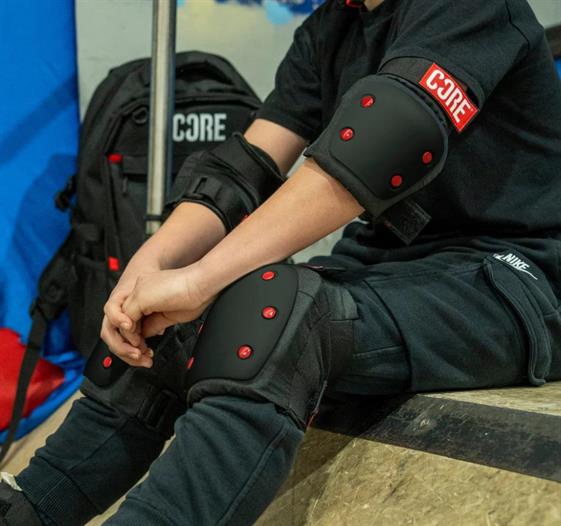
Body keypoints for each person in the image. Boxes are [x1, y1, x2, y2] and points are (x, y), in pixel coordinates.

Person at [2, 0, 561, 524]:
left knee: (272, 310)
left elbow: (377, 144)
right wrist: (149, 270)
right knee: (168, 323)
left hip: (514, 277)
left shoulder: (469, 8)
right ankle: (34, 507)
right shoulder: (330, 29)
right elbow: (240, 170)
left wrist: (199, 280)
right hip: (396, 268)